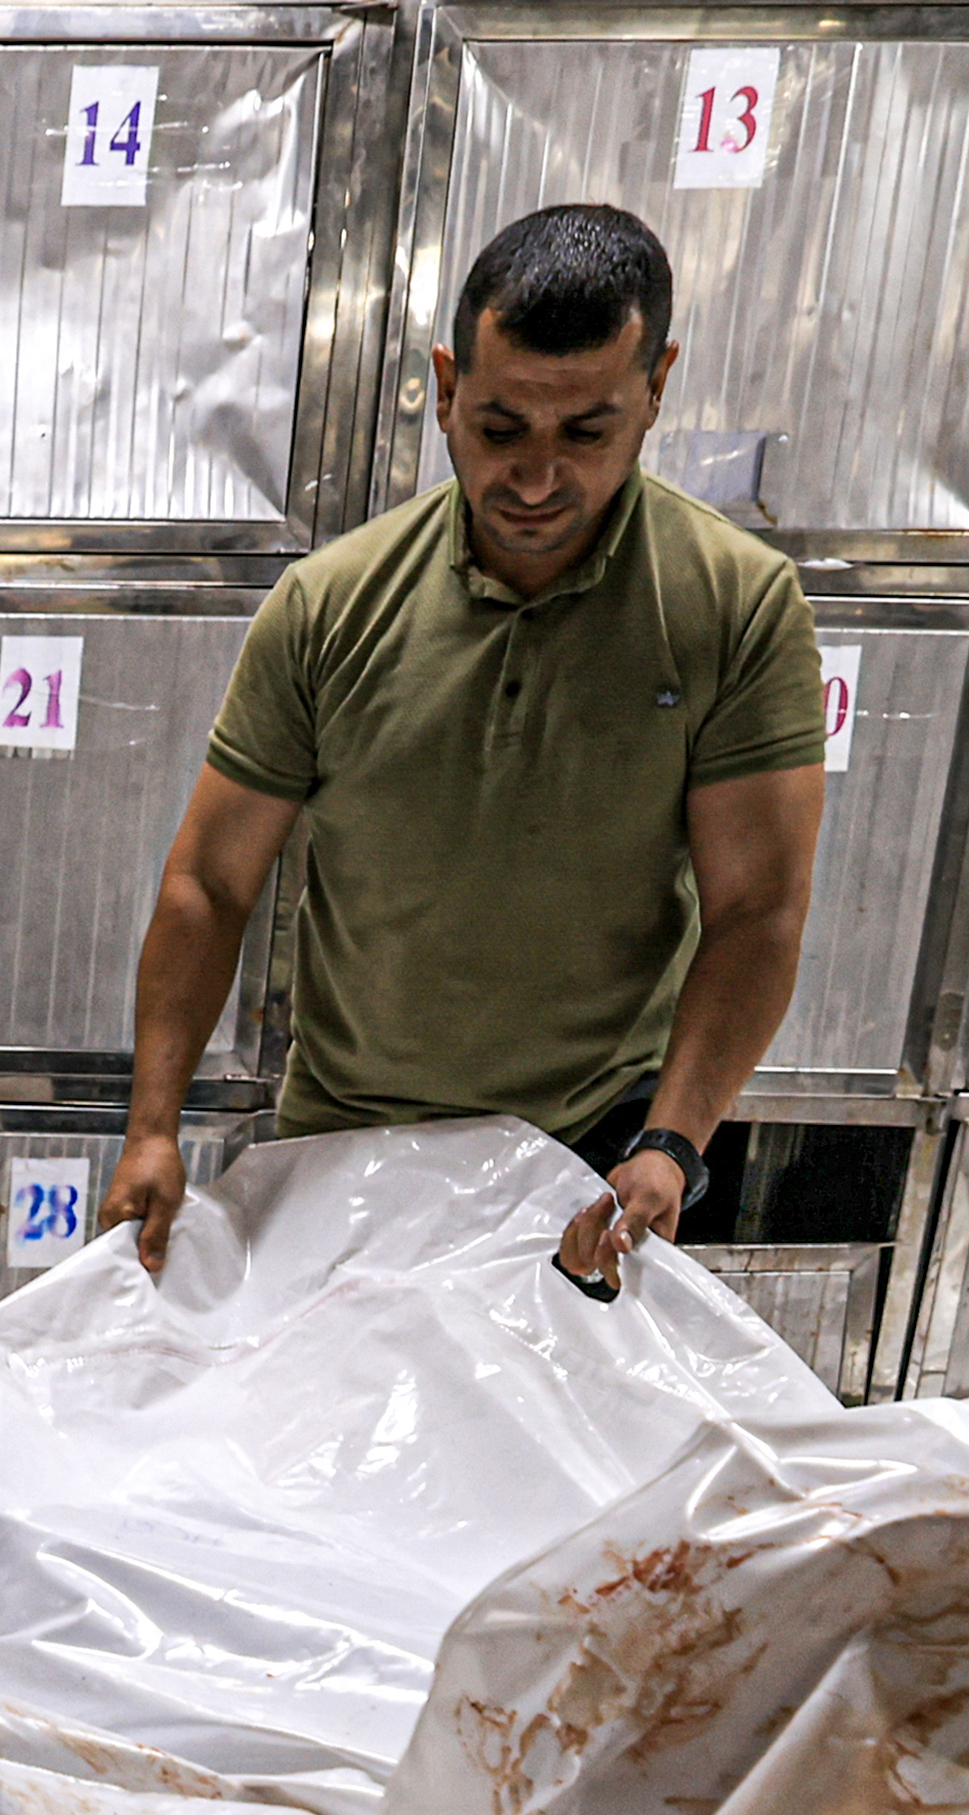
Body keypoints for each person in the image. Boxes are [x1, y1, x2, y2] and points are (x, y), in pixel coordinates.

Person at [100, 202, 828, 1293]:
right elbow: (210, 879)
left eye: (586, 431)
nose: (536, 480)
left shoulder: (733, 605)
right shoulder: (329, 608)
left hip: (583, 1162)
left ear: (656, 388)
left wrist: (672, 1146)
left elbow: (756, 910)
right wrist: (153, 1128)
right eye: (499, 429)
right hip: (342, 1148)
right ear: (446, 386)